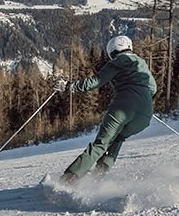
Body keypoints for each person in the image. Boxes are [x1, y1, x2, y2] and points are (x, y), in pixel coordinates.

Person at [55, 34, 157, 183]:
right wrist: (141, 101)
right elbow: (153, 88)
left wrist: (69, 87)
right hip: (145, 113)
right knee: (118, 138)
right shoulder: (141, 63)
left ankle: (67, 180)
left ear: (112, 51)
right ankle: (99, 174)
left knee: (101, 144)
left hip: (123, 106)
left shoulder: (117, 62)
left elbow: (96, 81)